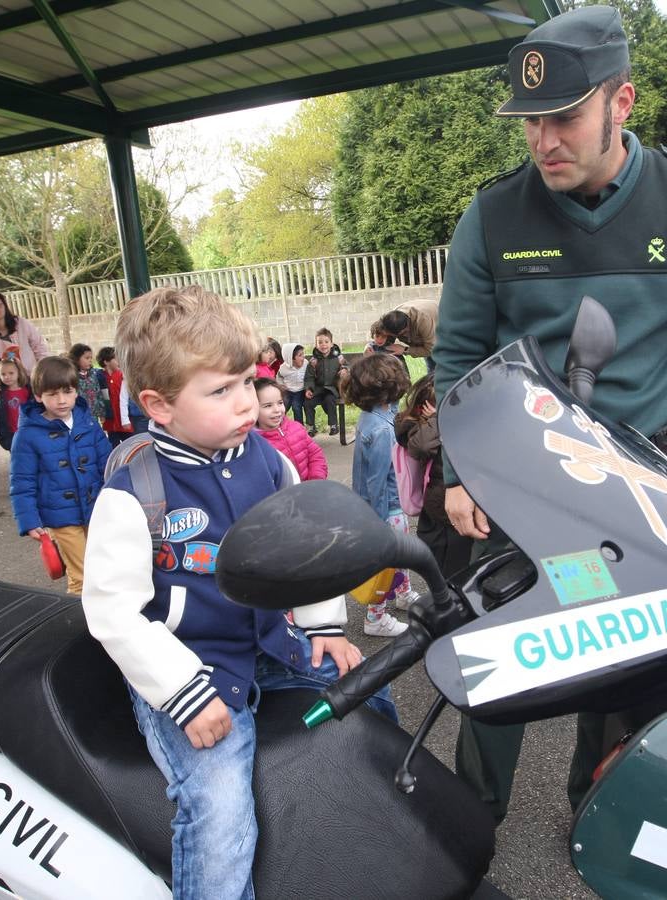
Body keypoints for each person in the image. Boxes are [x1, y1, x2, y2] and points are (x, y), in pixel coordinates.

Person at [430, 6, 667, 823]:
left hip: (649, 464)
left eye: (565, 118)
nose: (544, 141)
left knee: (635, 649)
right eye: (530, 123)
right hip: (520, 470)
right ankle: (472, 813)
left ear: (623, 103)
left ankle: (598, 803)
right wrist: (458, 471)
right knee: (498, 641)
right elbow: (459, 356)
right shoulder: (493, 215)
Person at [82, 285, 394, 900]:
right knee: (219, 812)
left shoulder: (268, 462)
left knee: (371, 702)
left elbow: (304, 553)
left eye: (248, 382)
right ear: (159, 405)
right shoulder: (134, 491)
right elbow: (111, 611)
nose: (246, 402)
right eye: (220, 390)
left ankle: (381, 844)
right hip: (189, 671)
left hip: (273, 643)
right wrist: (184, 695)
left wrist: (325, 626)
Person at [9, 356, 110, 595]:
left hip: (95, 509)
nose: (62, 400)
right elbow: (22, 481)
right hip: (60, 517)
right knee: (82, 576)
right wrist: (29, 520)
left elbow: (108, 464)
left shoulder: (88, 423)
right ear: (38, 396)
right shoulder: (27, 435)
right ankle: (79, 625)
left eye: (67, 391)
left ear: (77, 391)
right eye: (52, 394)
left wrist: (120, 496)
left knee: (103, 568)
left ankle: (103, 617)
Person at [343, 353, 416, 638]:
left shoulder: (372, 416)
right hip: (388, 509)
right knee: (389, 563)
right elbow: (376, 479)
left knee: (403, 556)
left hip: (384, 506)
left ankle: (404, 593)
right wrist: (379, 519)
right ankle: (375, 618)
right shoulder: (383, 430)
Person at [395, 375, 471, 578]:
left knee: (456, 564)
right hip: (441, 506)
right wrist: (440, 419)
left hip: (449, 505)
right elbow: (420, 447)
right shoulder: (417, 426)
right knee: (449, 567)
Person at [0, 291, 50, 400]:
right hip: (7, 383)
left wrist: (42, 371)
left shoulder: (21, 323)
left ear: (5, 306)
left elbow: (39, 346)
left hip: (32, 378)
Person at [254, 378, 326, 481]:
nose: (277, 410)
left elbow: (315, 454)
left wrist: (316, 479)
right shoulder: (255, 445)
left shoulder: (297, 428)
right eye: (268, 405)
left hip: (310, 490)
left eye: (280, 403)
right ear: (252, 409)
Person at [303, 327, 348, 437]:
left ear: (332, 344)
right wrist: (308, 389)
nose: (323, 345)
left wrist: (344, 370)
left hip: (332, 389)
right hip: (318, 389)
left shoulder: (338, 358)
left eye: (326, 342)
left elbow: (346, 365)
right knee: (307, 402)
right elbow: (309, 377)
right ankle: (311, 426)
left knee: (329, 400)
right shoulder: (314, 361)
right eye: (320, 342)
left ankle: (333, 425)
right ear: (316, 344)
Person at [0, 355, 31, 452]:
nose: (7, 377)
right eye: (3, 374)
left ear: (19, 372)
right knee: (15, 454)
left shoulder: (28, 391)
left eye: (11, 373)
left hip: (27, 430)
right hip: (10, 433)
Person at [377, 299, 439, 363]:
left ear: (405, 330)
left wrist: (404, 350)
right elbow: (378, 329)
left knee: (437, 364)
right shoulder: (391, 318)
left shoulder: (423, 321)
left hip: (443, 329)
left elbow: (431, 350)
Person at [98, 346, 133, 448]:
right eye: (115, 358)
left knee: (129, 446)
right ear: (106, 362)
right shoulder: (100, 377)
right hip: (110, 421)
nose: (119, 361)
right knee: (114, 446)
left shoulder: (122, 375)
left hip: (123, 419)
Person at [70, 343, 110, 430]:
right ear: (76, 359)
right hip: (80, 416)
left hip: (94, 415)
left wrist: (102, 413)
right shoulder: (72, 377)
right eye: (87, 358)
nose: (90, 360)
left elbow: (98, 394)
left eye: (91, 358)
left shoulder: (93, 374)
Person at [277, 342, 309, 424]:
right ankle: (279, 424)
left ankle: (299, 426)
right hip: (288, 391)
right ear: (291, 358)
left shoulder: (305, 364)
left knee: (296, 406)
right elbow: (279, 377)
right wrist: (281, 386)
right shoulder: (283, 368)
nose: (303, 357)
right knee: (283, 406)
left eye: (303, 354)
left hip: (300, 391)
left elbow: (311, 375)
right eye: (300, 355)